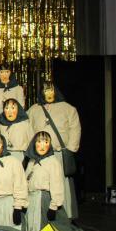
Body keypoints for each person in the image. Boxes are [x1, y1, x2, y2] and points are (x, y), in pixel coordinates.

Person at [27, 81, 81, 218]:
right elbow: (28, 129)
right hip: (39, 156)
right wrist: (31, 148)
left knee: (60, 184)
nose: (49, 93)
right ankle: (40, 215)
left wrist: (70, 149)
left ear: (55, 91)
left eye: (51, 90)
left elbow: (75, 129)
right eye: (45, 90)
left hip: (58, 154)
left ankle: (65, 216)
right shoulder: (34, 110)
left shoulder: (68, 109)